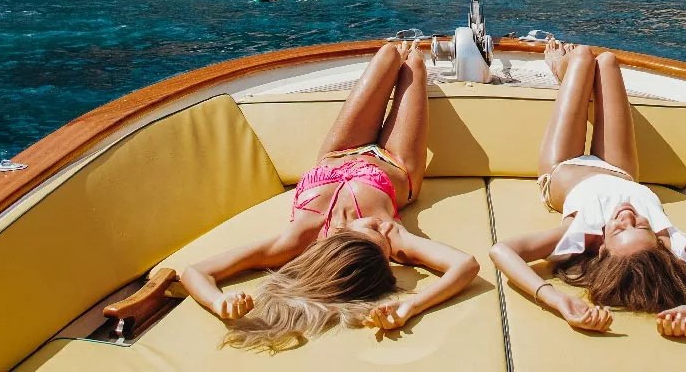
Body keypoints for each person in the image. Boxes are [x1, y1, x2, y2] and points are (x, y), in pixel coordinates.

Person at [180, 42, 478, 351]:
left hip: (339, 151)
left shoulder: (297, 239)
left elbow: (195, 271)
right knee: (413, 62)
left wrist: (219, 301)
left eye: (374, 230)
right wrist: (410, 307)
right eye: (384, 241)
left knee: (388, 53)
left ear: (339, 239)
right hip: (396, 163)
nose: (384, 228)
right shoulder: (394, 238)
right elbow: (465, 265)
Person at [490, 38, 686, 339]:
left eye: (618, 229)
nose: (627, 216)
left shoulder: (581, 235)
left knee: (582, 57)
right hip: (620, 170)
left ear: (601, 248)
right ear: (656, 244)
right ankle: (577, 87)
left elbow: (502, 251)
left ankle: (565, 74)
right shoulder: (669, 242)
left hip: (562, 166)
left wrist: (556, 299)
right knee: (607, 62)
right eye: (640, 226)